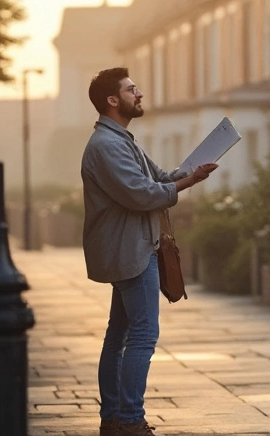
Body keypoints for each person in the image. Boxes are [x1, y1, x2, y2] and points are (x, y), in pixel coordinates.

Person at [81, 67, 217, 435]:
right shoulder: (107, 146)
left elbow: (155, 178)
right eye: (131, 89)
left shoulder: (121, 140)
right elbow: (141, 194)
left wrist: (191, 171)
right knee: (142, 336)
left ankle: (113, 417)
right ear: (113, 100)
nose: (139, 94)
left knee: (119, 334)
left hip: (130, 248)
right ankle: (129, 420)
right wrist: (189, 182)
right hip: (132, 251)